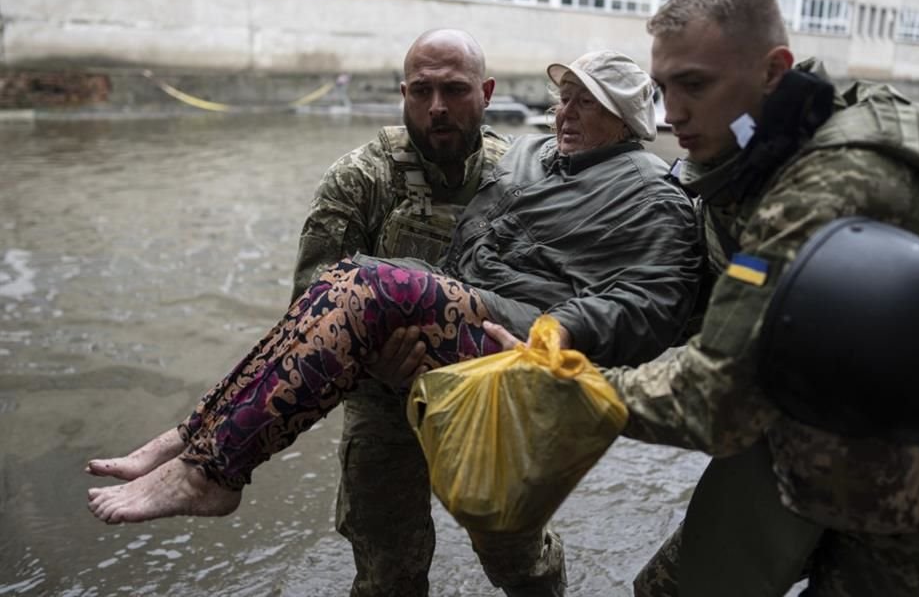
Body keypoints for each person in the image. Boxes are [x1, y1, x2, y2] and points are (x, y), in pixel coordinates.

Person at [86, 49, 703, 595]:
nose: (564, 114)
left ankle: (210, 464)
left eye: (586, 105)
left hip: (510, 347)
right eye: (562, 99)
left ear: (625, 121)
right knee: (346, 282)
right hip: (397, 374)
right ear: (403, 93)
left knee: (511, 548)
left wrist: (559, 330)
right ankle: (201, 446)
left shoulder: (650, 193)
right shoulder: (516, 159)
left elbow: (654, 301)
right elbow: (309, 305)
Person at [483, 0, 919, 597]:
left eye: (696, 85)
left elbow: (717, 397)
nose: (671, 111)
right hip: (805, 442)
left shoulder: (832, 185)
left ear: (774, 71)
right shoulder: (756, 150)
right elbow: (702, 308)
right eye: (663, 87)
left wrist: (560, 384)